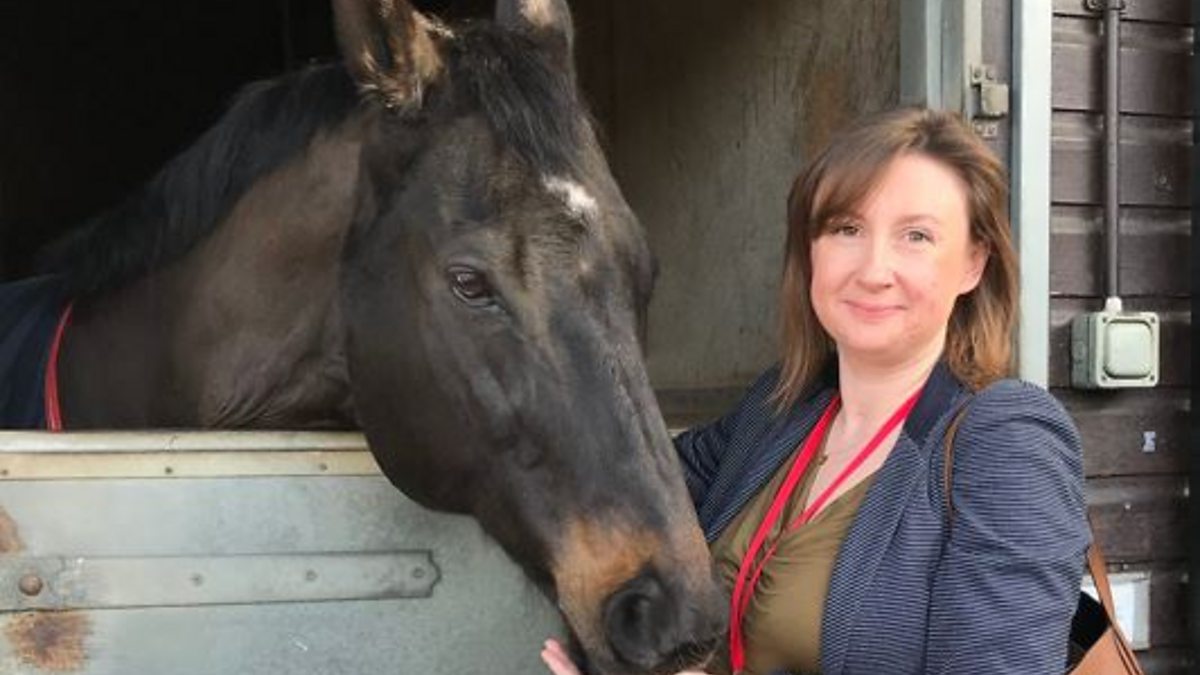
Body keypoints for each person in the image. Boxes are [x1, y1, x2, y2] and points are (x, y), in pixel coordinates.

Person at [541, 107, 1090, 675]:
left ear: (974, 263)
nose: (874, 269)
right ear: (811, 251)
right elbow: (630, 486)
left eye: (916, 236)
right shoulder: (782, 406)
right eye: (846, 229)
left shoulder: (1008, 442)